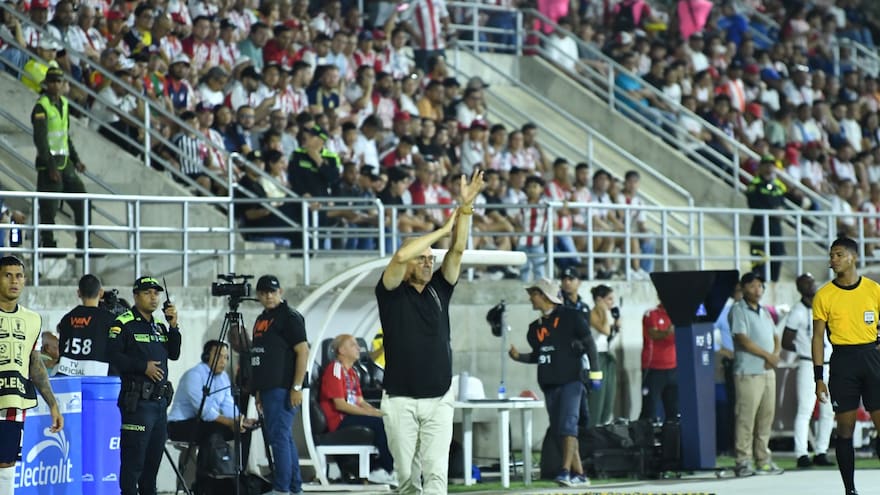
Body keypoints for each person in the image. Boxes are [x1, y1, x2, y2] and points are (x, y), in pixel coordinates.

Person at [375, 170, 483, 494]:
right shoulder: (390, 291)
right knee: (407, 477)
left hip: (439, 397)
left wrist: (464, 210)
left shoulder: (440, 288)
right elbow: (400, 256)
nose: (427, 262)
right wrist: (443, 228)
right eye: (421, 258)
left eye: (429, 258)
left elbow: (457, 251)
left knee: (437, 476)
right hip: (400, 400)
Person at [509, 278, 601, 488]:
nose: (530, 298)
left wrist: (596, 375)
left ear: (544, 295)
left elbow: (590, 346)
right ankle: (580, 474)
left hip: (572, 380)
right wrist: (519, 357)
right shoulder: (535, 328)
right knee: (562, 430)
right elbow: (540, 356)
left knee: (568, 426)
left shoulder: (573, 317)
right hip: (549, 384)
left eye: (533, 293)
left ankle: (565, 471)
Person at [813, 237, 880, 495]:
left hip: (871, 360)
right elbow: (817, 337)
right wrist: (818, 377)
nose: (833, 260)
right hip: (842, 363)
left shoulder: (873, 290)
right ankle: (850, 490)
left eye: (838, 255)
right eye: (831, 255)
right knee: (845, 429)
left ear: (853, 257)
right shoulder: (825, 295)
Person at [107, 276, 182, 495]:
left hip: (159, 405)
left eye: (156, 293)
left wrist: (174, 325)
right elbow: (111, 354)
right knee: (133, 465)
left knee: (152, 467)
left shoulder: (159, 326)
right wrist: (142, 367)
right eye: (148, 292)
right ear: (136, 295)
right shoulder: (123, 323)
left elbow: (175, 354)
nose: (153, 297)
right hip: (137, 404)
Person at [0, 255, 64, 495]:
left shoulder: (32, 320)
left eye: (19, 276)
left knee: (6, 466)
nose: (14, 281)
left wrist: (53, 405)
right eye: (7, 275)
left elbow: (35, 364)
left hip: (13, 404)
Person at [168, 340, 255, 493]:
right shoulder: (194, 375)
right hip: (179, 425)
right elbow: (205, 411)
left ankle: (237, 477)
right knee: (213, 431)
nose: (224, 361)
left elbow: (228, 405)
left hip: (204, 424)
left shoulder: (223, 378)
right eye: (220, 356)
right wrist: (230, 422)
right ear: (207, 356)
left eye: (226, 357)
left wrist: (241, 420)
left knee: (243, 431)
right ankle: (204, 485)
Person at [250, 274, 309, 495]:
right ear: (258, 295)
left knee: (279, 438)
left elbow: (303, 351)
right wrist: (257, 391)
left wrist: (296, 387)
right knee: (284, 437)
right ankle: (294, 487)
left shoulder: (289, 317)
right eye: (264, 292)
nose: (268, 296)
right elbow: (260, 356)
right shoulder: (261, 319)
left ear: (280, 292)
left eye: (272, 291)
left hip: (283, 388)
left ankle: (282, 488)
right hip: (267, 388)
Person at [319, 334, 395, 485]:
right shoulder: (335, 369)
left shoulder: (352, 372)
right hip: (340, 420)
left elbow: (360, 401)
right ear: (341, 350)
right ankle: (388, 470)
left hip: (350, 416)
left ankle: (380, 468)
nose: (358, 348)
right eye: (353, 345)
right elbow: (340, 404)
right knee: (380, 424)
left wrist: (376, 412)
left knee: (386, 419)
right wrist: (370, 414)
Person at [730, 272, 783, 477]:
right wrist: (767, 356)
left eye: (760, 286)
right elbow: (742, 339)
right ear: (743, 288)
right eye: (752, 286)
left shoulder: (765, 312)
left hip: (767, 372)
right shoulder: (738, 310)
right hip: (748, 372)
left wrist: (775, 355)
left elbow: (775, 336)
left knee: (765, 418)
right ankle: (743, 461)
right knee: (746, 418)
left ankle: (763, 460)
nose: (757, 290)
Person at [31, 67, 88, 252]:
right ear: (47, 84)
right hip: (50, 164)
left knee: (83, 201)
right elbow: (40, 139)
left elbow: (65, 135)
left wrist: (76, 159)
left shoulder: (64, 103)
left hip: (66, 162)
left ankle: (83, 243)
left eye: (59, 81)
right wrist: (50, 166)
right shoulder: (41, 106)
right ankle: (48, 245)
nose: (56, 85)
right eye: (53, 81)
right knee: (49, 208)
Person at [781, 273, 834, 469]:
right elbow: (787, 340)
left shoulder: (824, 305)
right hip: (808, 363)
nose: (809, 285)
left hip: (830, 362)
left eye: (811, 282)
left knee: (828, 411)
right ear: (799, 288)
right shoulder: (798, 311)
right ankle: (801, 453)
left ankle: (821, 451)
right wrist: (804, 349)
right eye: (804, 283)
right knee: (805, 410)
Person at [55, 274, 117, 376]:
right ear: (100, 293)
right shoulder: (109, 319)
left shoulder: (66, 319)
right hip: (99, 379)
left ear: (79, 293)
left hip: (68, 379)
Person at [746, 156, 786, 282]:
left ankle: (774, 283)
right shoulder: (754, 184)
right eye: (766, 164)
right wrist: (772, 212)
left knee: (777, 257)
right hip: (760, 227)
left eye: (772, 164)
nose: (769, 167)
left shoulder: (779, 186)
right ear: (761, 166)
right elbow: (753, 205)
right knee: (759, 260)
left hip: (775, 227)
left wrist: (781, 211)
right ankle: (758, 285)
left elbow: (782, 203)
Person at [639, 302, 678, 421]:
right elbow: (653, 334)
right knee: (650, 410)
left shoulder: (678, 315)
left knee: (673, 411)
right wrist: (668, 332)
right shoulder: (651, 314)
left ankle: (670, 438)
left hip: (673, 369)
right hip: (653, 369)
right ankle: (644, 438)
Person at [587, 284, 619, 427]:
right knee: (597, 399)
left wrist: (616, 326)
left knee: (608, 396)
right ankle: (593, 428)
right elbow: (605, 330)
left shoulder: (606, 315)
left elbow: (609, 336)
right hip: (596, 357)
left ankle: (604, 424)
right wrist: (606, 314)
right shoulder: (592, 313)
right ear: (599, 299)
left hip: (606, 355)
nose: (612, 303)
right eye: (609, 299)